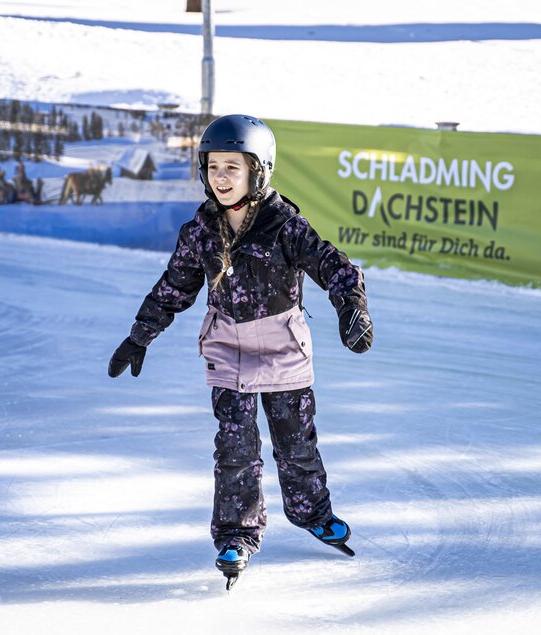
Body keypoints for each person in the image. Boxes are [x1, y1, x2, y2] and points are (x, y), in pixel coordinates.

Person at [107, 114, 373, 586]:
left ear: (259, 169)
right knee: (235, 446)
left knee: (295, 442)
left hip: (282, 346)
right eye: (213, 166)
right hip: (227, 345)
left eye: (233, 166)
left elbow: (334, 265)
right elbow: (174, 287)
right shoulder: (201, 231)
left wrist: (352, 306)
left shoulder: (284, 226)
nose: (221, 177)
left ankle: (312, 512)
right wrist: (139, 334)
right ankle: (236, 534)